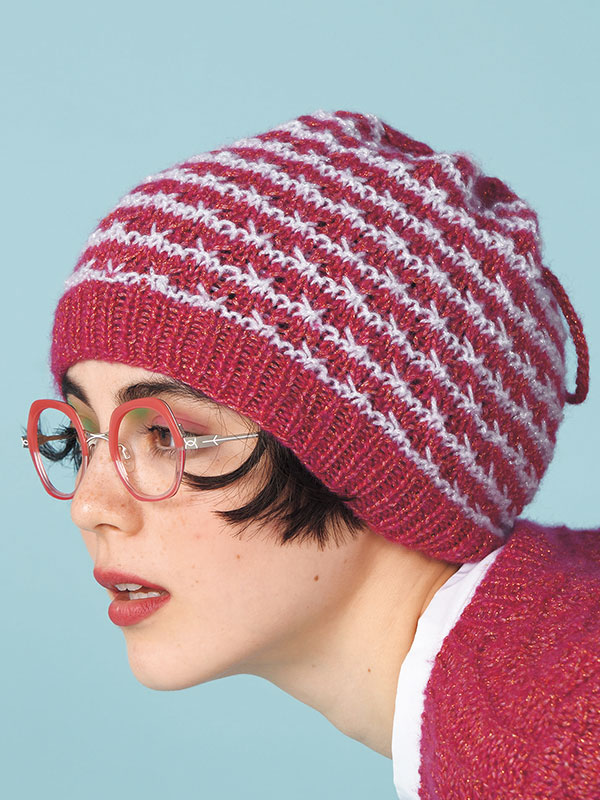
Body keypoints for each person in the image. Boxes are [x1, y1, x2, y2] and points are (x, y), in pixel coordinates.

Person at [23, 110, 599, 799]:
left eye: (166, 435)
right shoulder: (536, 676)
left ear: (379, 463)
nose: (90, 506)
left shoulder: (554, 759)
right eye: (84, 436)